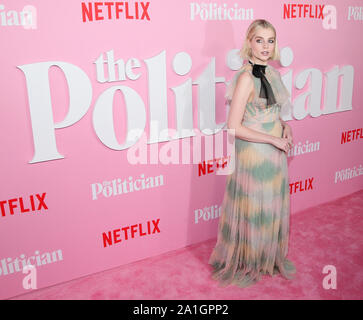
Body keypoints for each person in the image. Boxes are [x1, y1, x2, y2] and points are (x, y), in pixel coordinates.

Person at [208, 19, 296, 288]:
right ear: (249, 43)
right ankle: (250, 260)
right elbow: (234, 127)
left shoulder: (274, 74)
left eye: (270, 40)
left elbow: (272, 111)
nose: (266, 46)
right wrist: (273, 139)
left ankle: (266, 257)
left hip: (273, 151)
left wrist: (285, 127)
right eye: (260, 40)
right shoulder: (246, 78)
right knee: (253, 205)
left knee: (269, 204)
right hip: (254, 153)